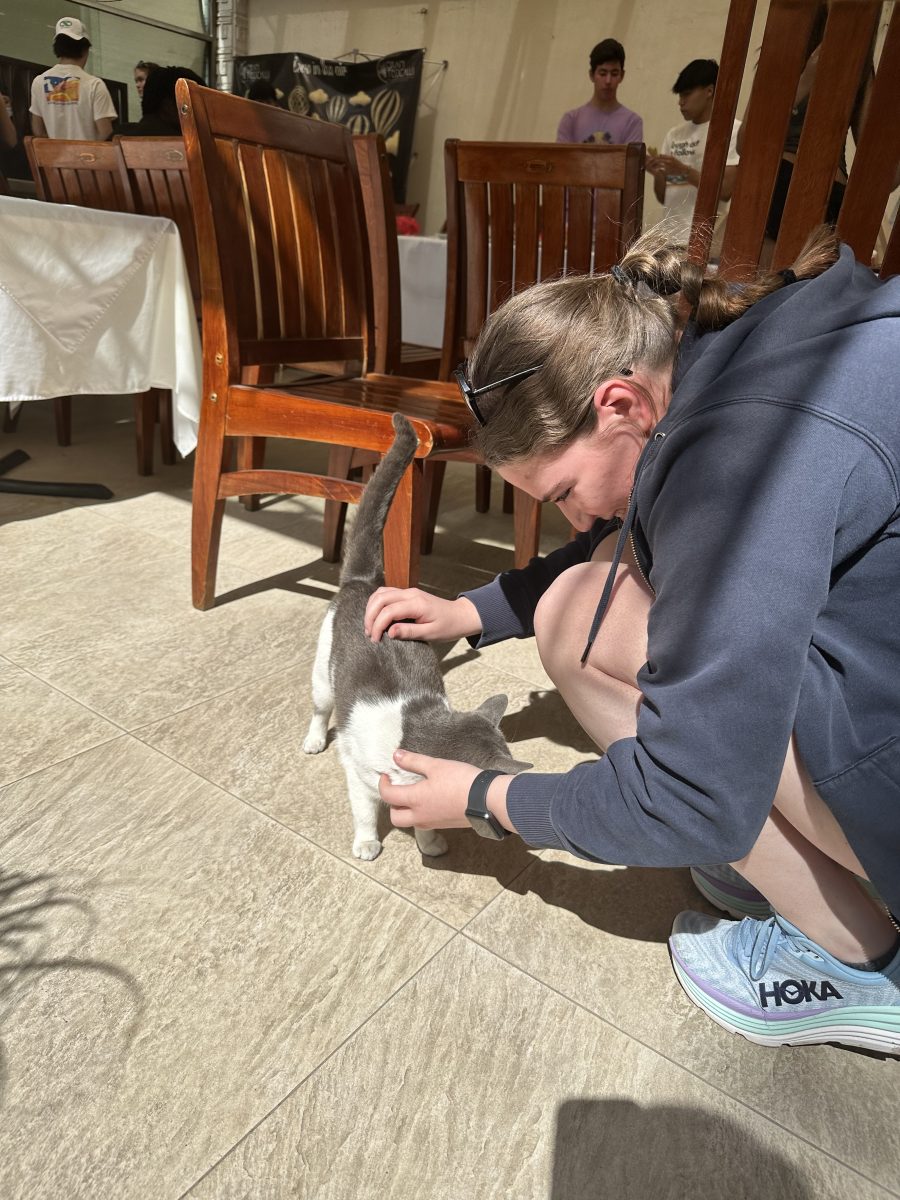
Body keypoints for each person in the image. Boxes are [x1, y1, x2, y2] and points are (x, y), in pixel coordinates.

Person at [366, 227, 900, 1054]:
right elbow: (639, 521)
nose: (575, 516)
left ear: (621, 402)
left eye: (565, 491)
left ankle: (866, 965)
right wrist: (478, 611)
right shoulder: (755, 346)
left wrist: (484, 799)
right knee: (595, 578)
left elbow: (686, 791)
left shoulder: (746, 456)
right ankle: (789, 861)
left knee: (580, 623)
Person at [647, 59, 740, 247]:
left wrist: (683, 171)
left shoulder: (731, 130)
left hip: (705, 242)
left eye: (687, 95)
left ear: (709, 91)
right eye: (679, 96)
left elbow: (725, 191)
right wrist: (658, 173)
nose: (681, 103)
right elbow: (664, 196)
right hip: (669, 239)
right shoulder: (674, 134)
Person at [29, 18, 117, 141]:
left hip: (53, 159)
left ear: (57, 48)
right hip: (88, 158)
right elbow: (105, 133)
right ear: (85, 49)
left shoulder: (39, 82)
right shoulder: (94, 85)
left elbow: (38, 131)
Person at [556, 39, 643, 146]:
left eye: (614, 74)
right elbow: (562, 160)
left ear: (622, 76)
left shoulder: (632, 122)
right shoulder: (571, 120)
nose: (608, 81)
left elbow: (630, 162)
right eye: (602, 73)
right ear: (591, 75)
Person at [120, 66, 204, 136]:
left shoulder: (118, 136)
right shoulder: (189, 145)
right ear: (169, 106)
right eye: (196, 106)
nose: (202, 117)